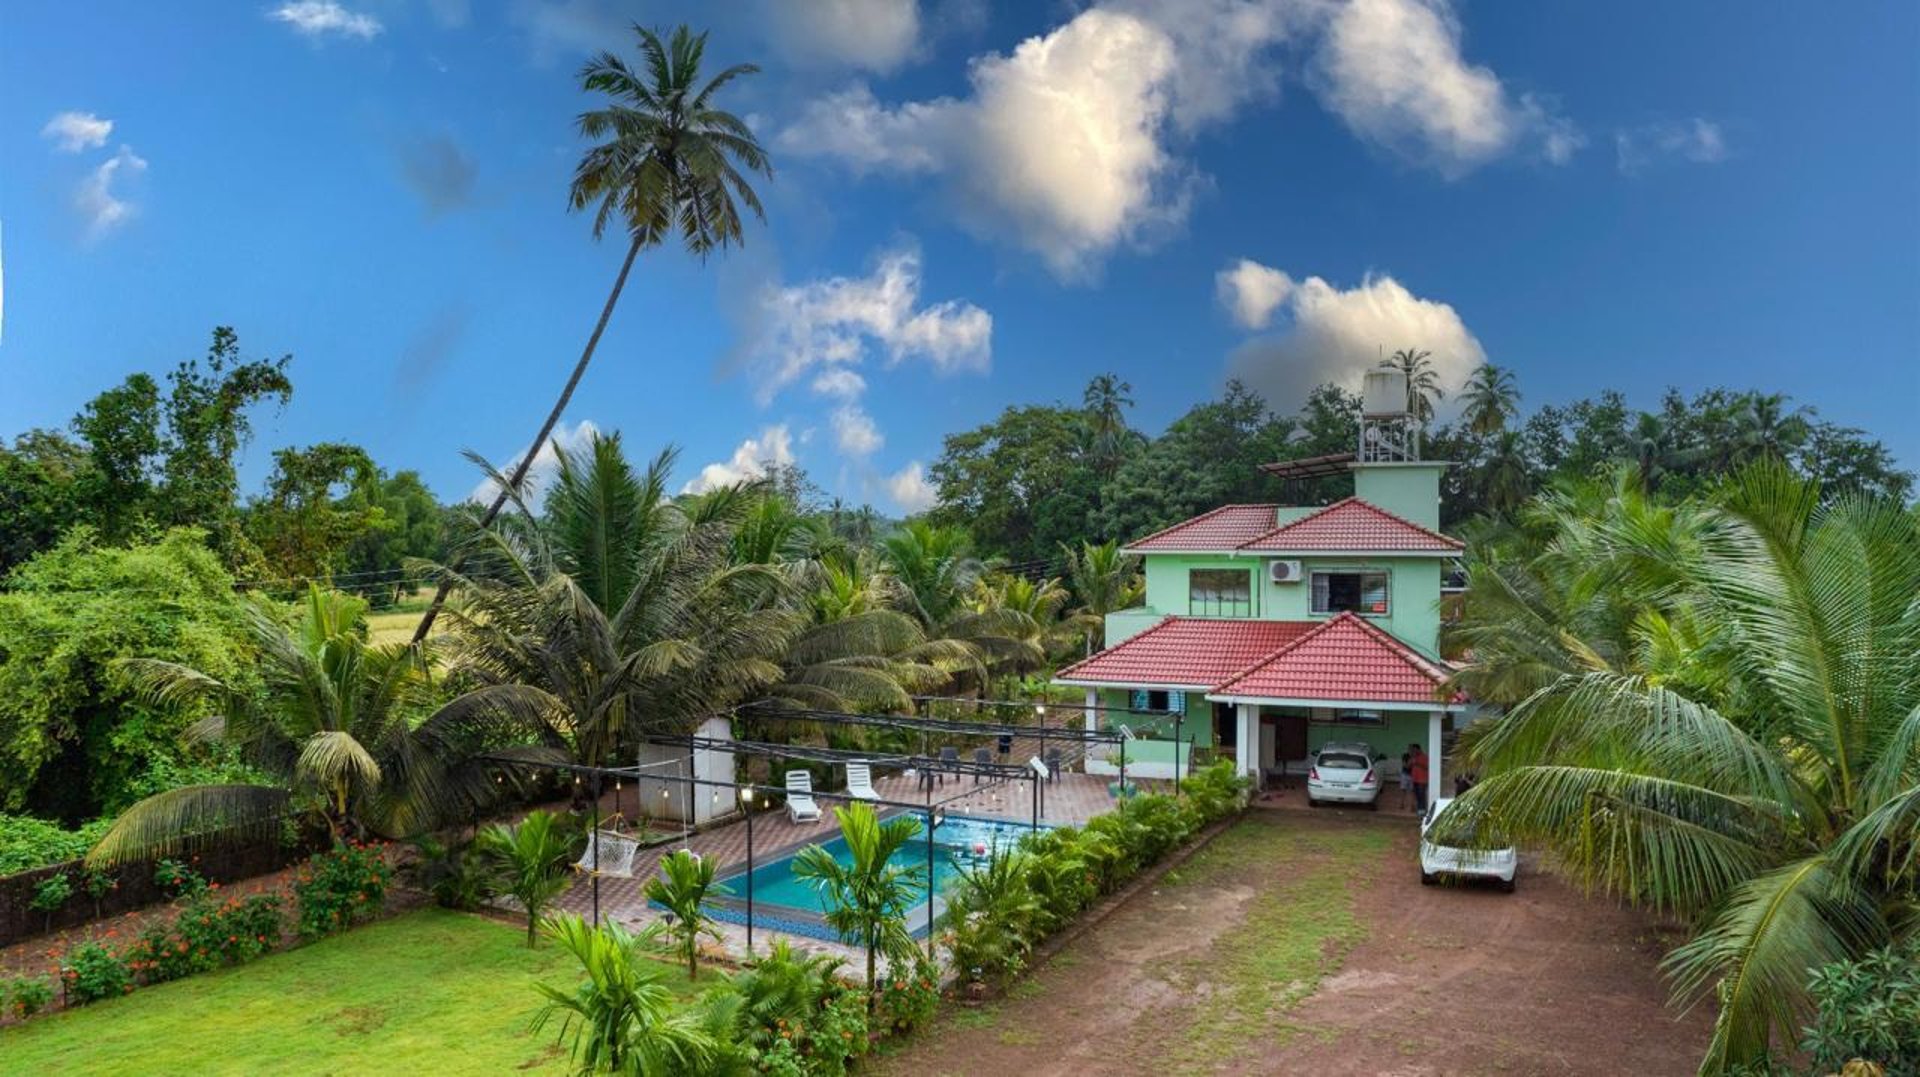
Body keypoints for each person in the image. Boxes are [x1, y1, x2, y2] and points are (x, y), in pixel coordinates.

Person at [1407, 742, 1430, 813]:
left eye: (1414, 750)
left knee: (1421, 795)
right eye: (1412, 750)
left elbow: (1427, 767)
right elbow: (1408, 766)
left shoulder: (1424, 757)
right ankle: (1420, 809)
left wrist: (1417, 763)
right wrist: (1411, 759)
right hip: (1415, 780)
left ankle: (1422, 810)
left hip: (1422, 780)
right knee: (1417, 795)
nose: (1414, 751)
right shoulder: (1413, 757)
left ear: (1418, 749)